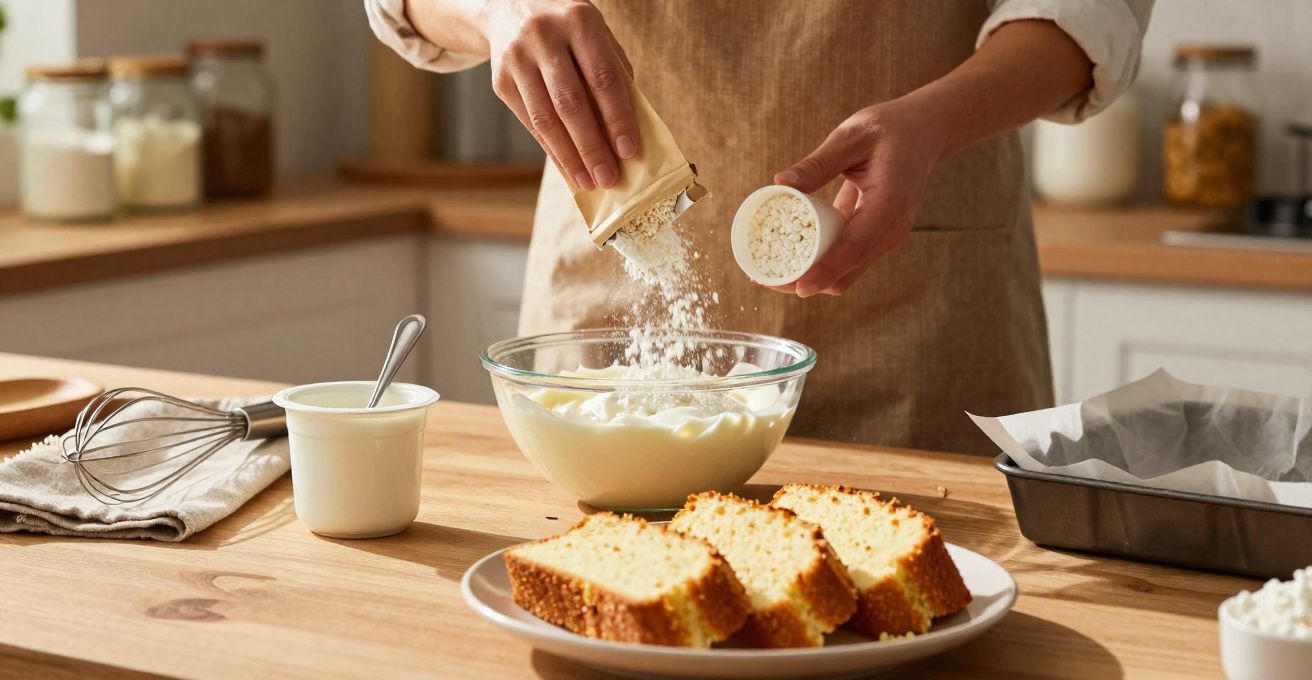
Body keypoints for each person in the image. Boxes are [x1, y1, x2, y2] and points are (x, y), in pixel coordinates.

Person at [367, 0, 1154, 454]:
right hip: (611, 308)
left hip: (917, 314)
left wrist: (935, 122)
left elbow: (1091, 9)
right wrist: (498, 12)